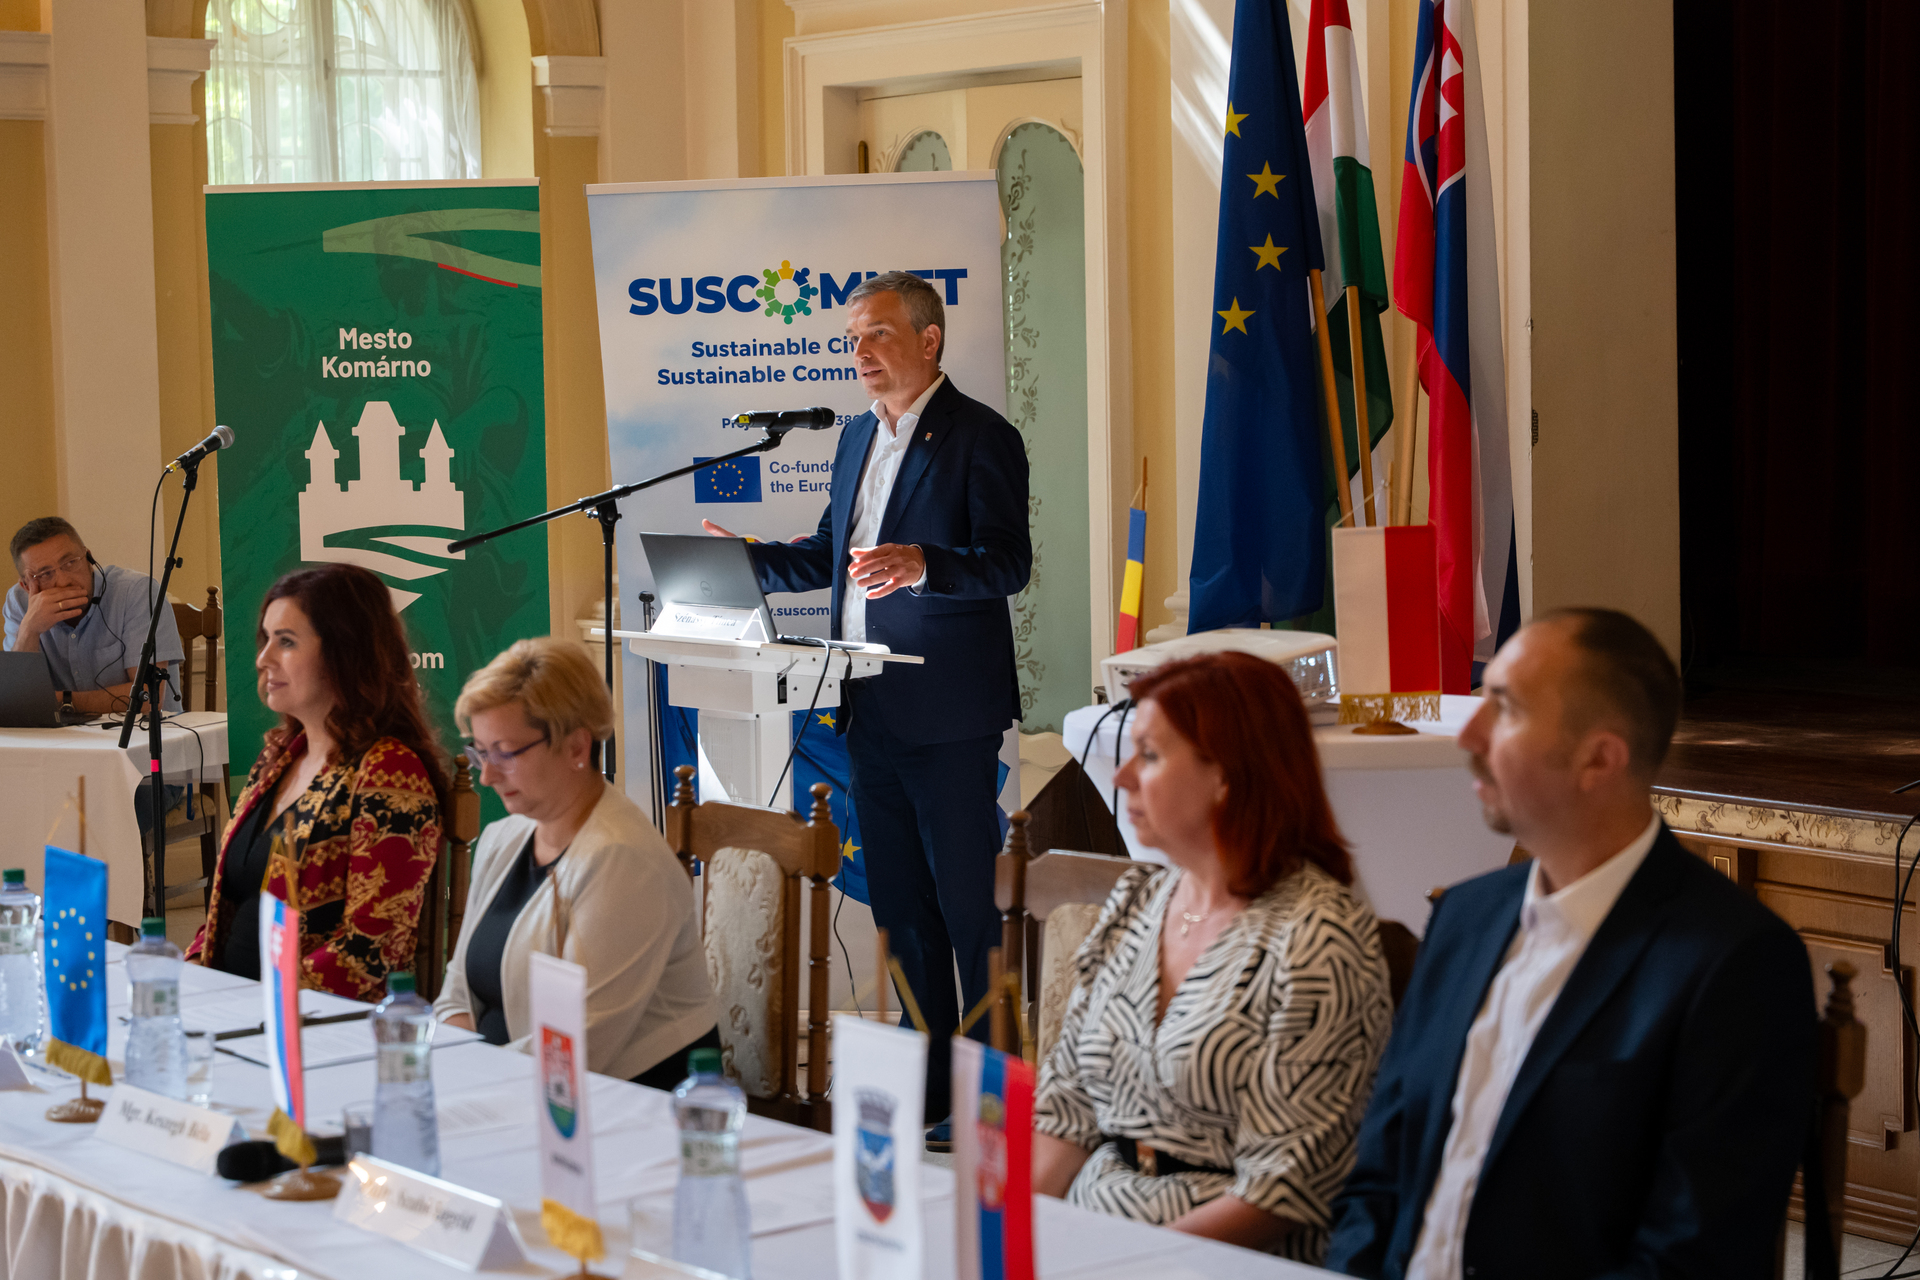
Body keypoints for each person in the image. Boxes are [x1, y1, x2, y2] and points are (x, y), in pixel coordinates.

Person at [1326, 609, 1815, 1279]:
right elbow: (1378, 1179)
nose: (1467, 734)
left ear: (1599, 758)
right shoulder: (1464, 917)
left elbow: (1693, 1258)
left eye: (1504, 709)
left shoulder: (1734, 961)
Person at [702, 270, 1030, 1141]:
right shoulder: (854, 437)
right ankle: (929, 1092)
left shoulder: (981, 436)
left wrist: (925, 564)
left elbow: (1009, 563)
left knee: (967, 912)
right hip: (868, 710)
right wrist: (747, 561)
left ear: (929, 339)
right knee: (902, 915)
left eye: (878, 334)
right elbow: (829, 557)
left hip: (950, 713)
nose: (860, 352)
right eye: (852, 339)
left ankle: (990, 1099)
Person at [1031, 653, 1393, 1262]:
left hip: (1230, 1257)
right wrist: (1007, 1242)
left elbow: (1283, 1189)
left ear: (1227, 774)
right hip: (1095, 1237)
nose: (1123, 776)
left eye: (1149, 755)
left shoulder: (1317, 935)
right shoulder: (1136, 902)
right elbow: (1065, 1114)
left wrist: (1121, 1265)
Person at [434, 637, 719, 1087]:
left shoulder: (625, 862)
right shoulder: (501, 838)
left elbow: (578, 1049)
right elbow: (455, 995)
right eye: (481, 753)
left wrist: (463, 1085)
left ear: (575, 747)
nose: (487, 775)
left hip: (633, 1103)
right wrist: (452, 1071)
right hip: (510, 1084)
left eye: (505, 753)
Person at [187, 563, 448, 1000]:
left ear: (345, 652)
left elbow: (370, 951)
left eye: (286, 641)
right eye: (266, 639)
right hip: (231, 1004)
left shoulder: (389, 772)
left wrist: (260, 1004)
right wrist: (193, 974)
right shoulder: (279, 755)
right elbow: (225, 908)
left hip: (312, 1021)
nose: (263, 659)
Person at [4, 516, 184, 717]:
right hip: (60, 735)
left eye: (70, 563)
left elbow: (148, 697)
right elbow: (19, 703)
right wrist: (29, 630)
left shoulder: (137, 593)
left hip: (142, 732)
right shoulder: (19, 603)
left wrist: (61, 701)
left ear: (89, 559)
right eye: (45, 574)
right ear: (26, 585)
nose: (63, 581)